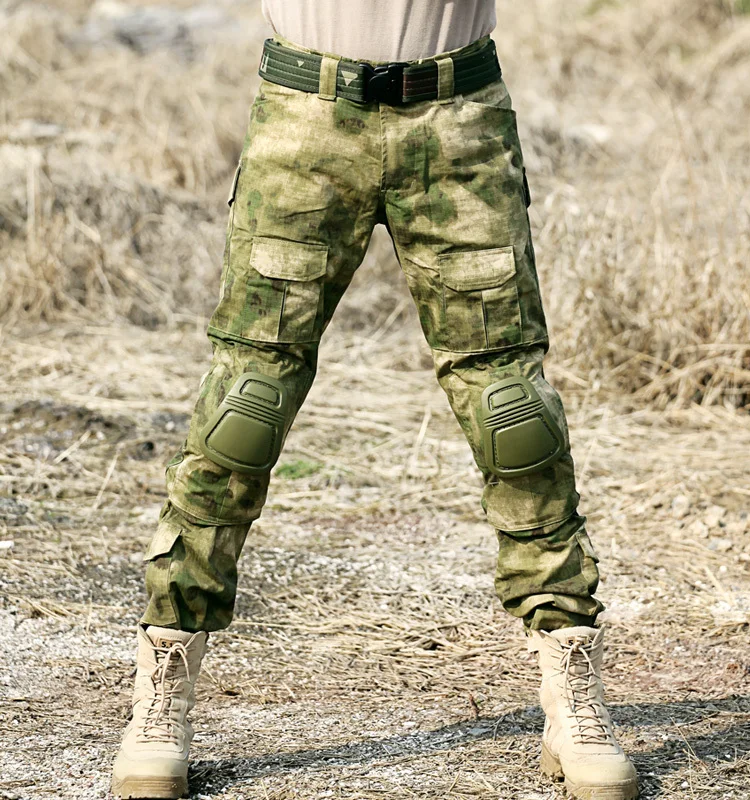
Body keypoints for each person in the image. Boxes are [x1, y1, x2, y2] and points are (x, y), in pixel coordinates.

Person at [111, 2, 639, 799]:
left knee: (512, 411)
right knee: (244, 407)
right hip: (308, 118)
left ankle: (573, 684)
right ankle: (164, 683)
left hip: (457, 118)